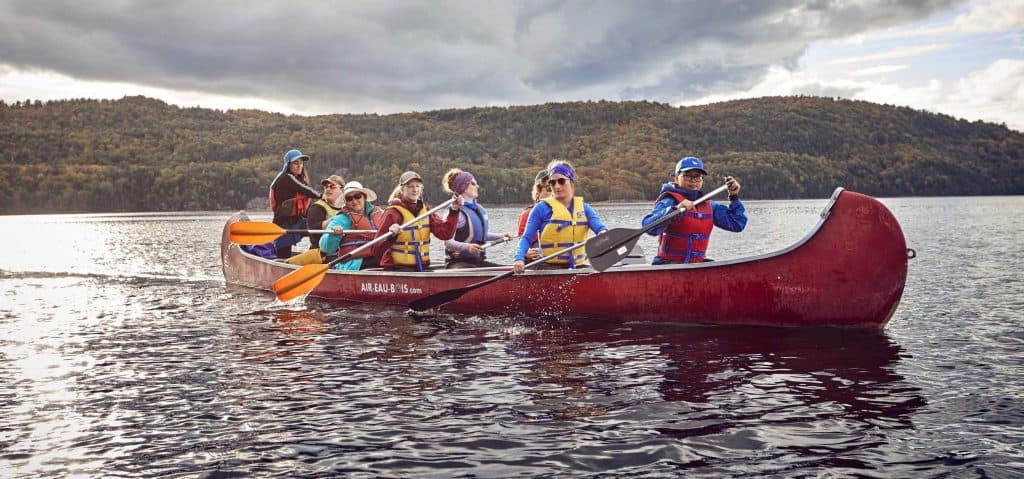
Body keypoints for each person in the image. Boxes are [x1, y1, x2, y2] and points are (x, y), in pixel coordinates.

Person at [641, 156, 746, 264]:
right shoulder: (669, 201)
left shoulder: (710, 205)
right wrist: (675, 210)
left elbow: (737, 224)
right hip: (668, 266)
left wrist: (734, 196)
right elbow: (648, 227)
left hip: (696, 266)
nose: (693, 181)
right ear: (677, 178)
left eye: (697, 177)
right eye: (687, 176)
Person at [513, 161, 608, 274]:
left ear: (571, 182)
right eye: (553, 183)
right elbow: (526, 238)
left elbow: (601, 229)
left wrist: (603, 235)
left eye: (562, 181)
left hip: (577, 266)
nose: (557, 186)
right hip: (548, 267)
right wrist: (519, 258)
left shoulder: (585, 208)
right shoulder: (540, 209)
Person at [372, 171, 464, 271]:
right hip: (397, 269)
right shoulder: (392, 213)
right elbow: (376, 250)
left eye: (417, 186)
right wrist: (390, 236)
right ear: (402, 189)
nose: (415, 189)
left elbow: (445, 234)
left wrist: (454, 211)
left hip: (422, 267)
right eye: (410, 186)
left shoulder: (426, 211)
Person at [441, 168, 514, 269]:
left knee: (512, 270)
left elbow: (480, 234)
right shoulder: (455, 213)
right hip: (458, 263)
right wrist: (467, 247)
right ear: (464, 187)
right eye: (474, 184)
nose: (478, 186)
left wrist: (501, 236)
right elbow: (448, 242)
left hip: (478, 261)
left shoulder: (479, 209)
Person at [269, 149, 323, 258]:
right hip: (283, 224)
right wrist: (322, 196)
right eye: (295, 163)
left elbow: (306, 198)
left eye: (301, 163)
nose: (299, 166)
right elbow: (305, 190)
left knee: (318, 230)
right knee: (283, 256)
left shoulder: (298, 179)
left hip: (298, 221)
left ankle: (316, 255)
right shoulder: (285, 178)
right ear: (288, 165)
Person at [320, 181, 386, 270]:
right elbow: (325, 247)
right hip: (355, 263)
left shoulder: (380, 213)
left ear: (364, 197)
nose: (354, 201)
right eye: (349, 198)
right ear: (345, 202)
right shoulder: (340, 219)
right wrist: (334, 235)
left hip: (380, 259)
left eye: (358, 196)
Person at [285, 174, 346, 265]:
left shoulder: (348, 207)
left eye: (332, 186)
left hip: (342, 251)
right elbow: (314, 230)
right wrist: (337, 219)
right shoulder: (317, 207)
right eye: (326, 187)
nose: (328, 189)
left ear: (342, 190)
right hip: (320, 253)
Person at [517, 168, 550, 262]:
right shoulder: (527, 214)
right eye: (548, 187)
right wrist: (527, 252)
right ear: (538, 190)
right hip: (536, 261)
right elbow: (523, 240)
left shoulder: (564, 211)